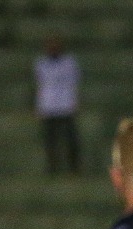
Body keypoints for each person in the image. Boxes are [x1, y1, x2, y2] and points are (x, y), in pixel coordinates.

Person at [33, 34, 81, 175]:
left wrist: (75, 102)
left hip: (66, 105)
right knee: (50, 140)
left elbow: (74, 83)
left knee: (71, 139)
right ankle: (52, 167)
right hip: (48, 105)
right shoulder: (41, 63)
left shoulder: (69, 62)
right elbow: (40, 85)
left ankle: (74, 167)